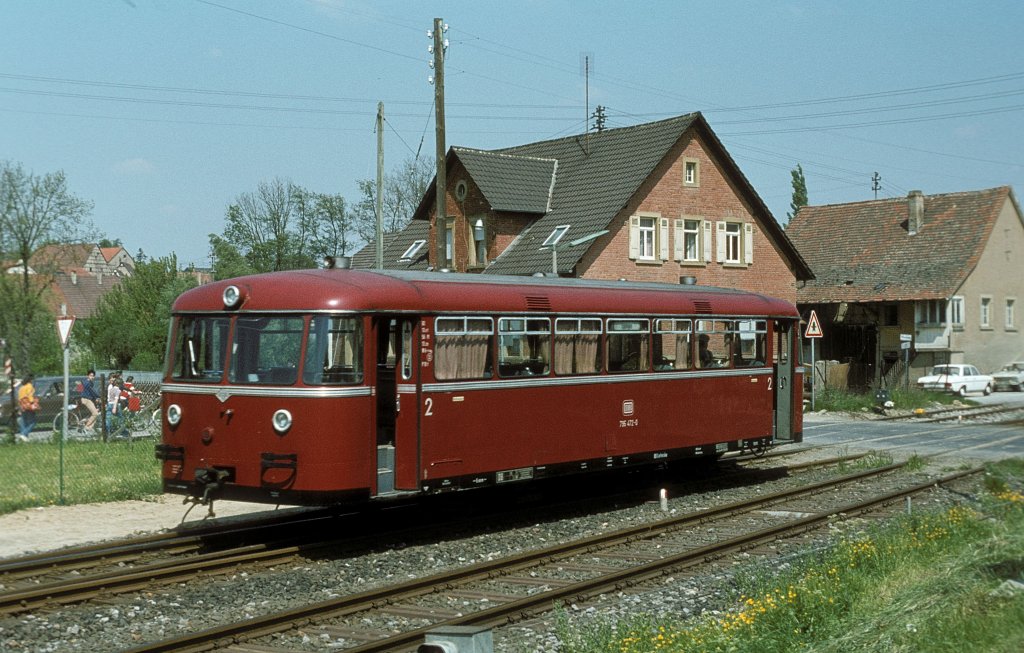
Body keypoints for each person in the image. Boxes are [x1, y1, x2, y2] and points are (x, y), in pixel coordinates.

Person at [16, 373, 38, 442]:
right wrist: (32, 403)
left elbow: (19, 398)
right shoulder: (30, 386)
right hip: (28, 405)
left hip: (22, 406)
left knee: (24, 422)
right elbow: (30, 395)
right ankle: (23, 434)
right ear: (30, 380)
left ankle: (24, 438)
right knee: (33, 422)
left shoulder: (21, 387)